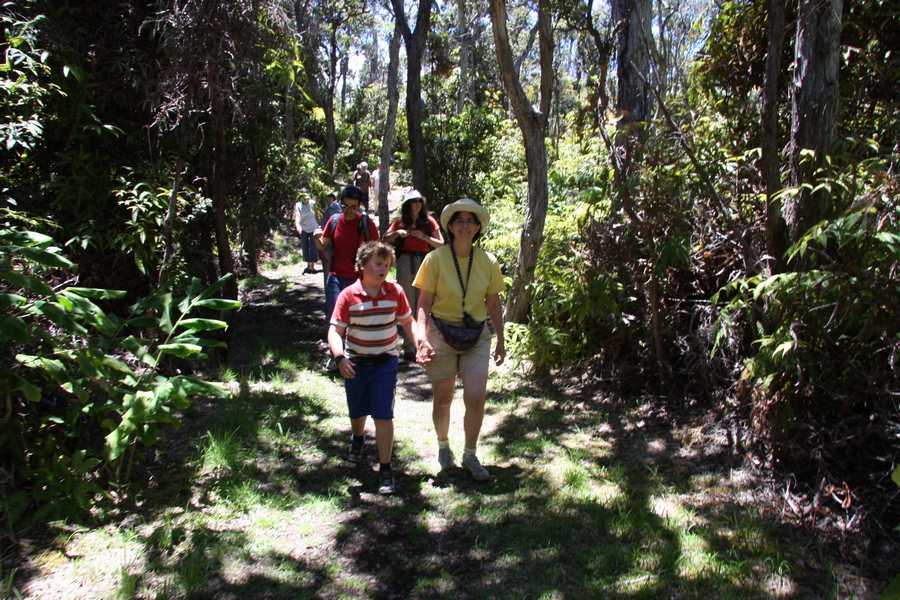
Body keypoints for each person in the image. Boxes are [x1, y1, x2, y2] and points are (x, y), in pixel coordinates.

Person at [413, 198, 505, 482]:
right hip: (441, 334)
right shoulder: (435, 259)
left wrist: (501, 339)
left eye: (470, 221)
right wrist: (422, 337)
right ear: (450, 226)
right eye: (459, 221)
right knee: (443, 398)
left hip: (476, 334)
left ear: (477, 227)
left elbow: (493, 304)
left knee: (475, 397)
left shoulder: (488, 261)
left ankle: (470, 454)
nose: (465, 226)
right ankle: (443, 446)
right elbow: (423, 303)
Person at [328, 241, 416, 495]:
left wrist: (418, 345)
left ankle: (385, 468)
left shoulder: (395, 292)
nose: (383, 269)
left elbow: (408, 323)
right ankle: (357, 438)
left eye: (386, 265)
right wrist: (340, 358)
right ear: (362, 265)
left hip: (385, 363)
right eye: (378, 264)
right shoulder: (348, 296)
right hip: (355, 363)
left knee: (383, 414)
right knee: (357, 411)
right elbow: (335, 331)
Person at [383, 189, 443, 356]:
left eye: (419, 201)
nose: (416, 204)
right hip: (405, 262)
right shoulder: (400, 222)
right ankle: (410, 345)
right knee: (408, 302)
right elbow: (384, 238)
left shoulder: (429, 221)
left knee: (425, 302)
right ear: (407, 204)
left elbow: (441, 244)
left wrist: (424, 237)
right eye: (413, 202)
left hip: (424, 261)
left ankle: (425, 341)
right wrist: (397, 233)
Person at [316, 185, 379, 323]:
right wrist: (316, 237)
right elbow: (321, 245)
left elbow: (377, 250)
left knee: (357, 319)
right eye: (345, 206)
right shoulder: (334, 221)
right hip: (335, 277)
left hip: (359, 279)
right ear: (340, 204)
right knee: (336, 317)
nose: (349, 210)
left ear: (359, 206)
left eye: (353, 207)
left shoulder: (367, 224)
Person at [317, 192, 342, 286]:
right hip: (332, 240)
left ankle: (329, 289)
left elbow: (329, 225)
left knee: (328, 268)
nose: (327, 199)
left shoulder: (333, 207)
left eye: (329, 197)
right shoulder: (333, 207)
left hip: (330, 240)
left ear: (333, 198)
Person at [293, 193, 319, 274]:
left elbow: (317, 214)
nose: (306, 200)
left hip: (313, 227)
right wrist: (298, 226)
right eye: (305, 199)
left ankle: (312, 267)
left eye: (307, 199)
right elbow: (297, 216)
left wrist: (319, 225)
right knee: (305, 246)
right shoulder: (298, 205)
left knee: (313, 247)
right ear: (301, 199)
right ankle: (308, 265)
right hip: (303, 228)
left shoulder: (312, 203)